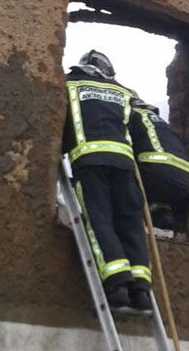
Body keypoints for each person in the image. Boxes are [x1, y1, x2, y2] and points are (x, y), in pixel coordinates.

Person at [61, 50, 152, 313]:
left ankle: (117, 285)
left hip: (90, 163)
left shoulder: (69, 84)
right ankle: (142, 290)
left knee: (99, 219)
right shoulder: (125, 92)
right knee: (130, 222)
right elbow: (144, 126)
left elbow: (56, 116)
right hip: (125, 166)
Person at [128, 100, 189, 231]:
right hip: (184, 182)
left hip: (155, 175)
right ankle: (164, 217)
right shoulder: (162, 124)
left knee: (117, 174)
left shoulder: (130, 117)